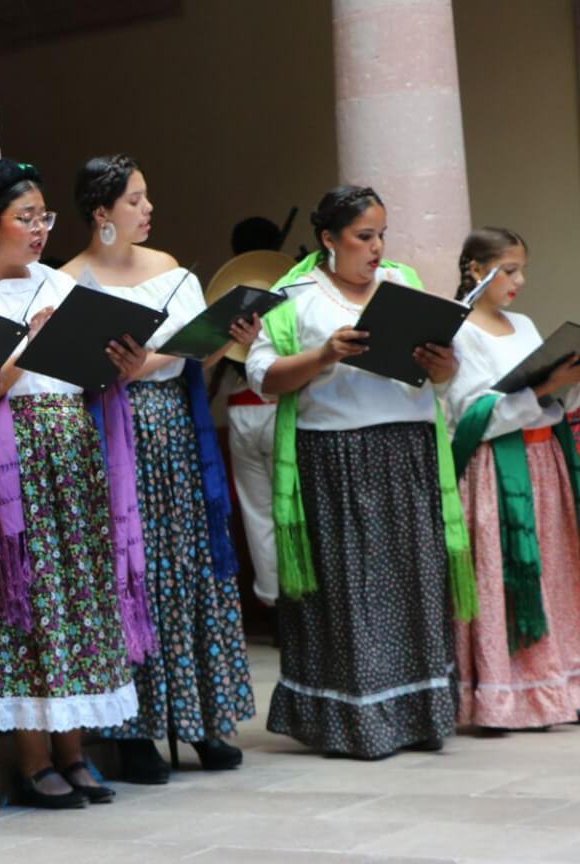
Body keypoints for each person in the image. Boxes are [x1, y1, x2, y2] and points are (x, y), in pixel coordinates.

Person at [0, 158, 143, 810]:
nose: (39, 229)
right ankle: (28, 758)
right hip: (3, 468)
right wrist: (29, 348)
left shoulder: (62, 283)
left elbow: (89, 376)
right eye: (26, 218)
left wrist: (123, 365)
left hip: (71, 453)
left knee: (74, 593)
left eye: (44, 217)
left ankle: (73, 751)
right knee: (21, 599)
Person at [246, 185, 475, 759]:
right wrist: (325, 355)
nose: (377, 248)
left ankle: (419, 715)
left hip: (408, 449)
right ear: (329, 239)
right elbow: (263, 377)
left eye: (382, 236)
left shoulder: (403, 283)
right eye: (363, 237)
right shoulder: (294, 295)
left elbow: (443, 375)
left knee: (413, 582)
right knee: (349, 589)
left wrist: (444, 366)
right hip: (335, 456)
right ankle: (352, 721)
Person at [63, 154, 255, 783]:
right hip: (111, 433)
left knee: (186, 564)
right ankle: (135, 731)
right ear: (102, 214)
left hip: (174, 427)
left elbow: (190, 352)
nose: (149, 210)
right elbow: (68, 368)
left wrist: (229, 334)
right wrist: (130, 367)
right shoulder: (67, 280)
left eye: (147, 198)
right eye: (136, 200)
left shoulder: (171, 271)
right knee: (130, 572)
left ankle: (201, 719)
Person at [446, 227, 580, 730]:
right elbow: (469, 412)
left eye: (522, 269)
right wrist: (544, 386)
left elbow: (550, 396)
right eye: (510, 269)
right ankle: (505, 697)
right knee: (502, 580)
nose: (519, 280)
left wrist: (564, 384)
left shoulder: (522, 323)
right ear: (477, 271)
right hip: (497, 473)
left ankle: (559, 687)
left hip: (545, 464)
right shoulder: (459, 331)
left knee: (556, 572)